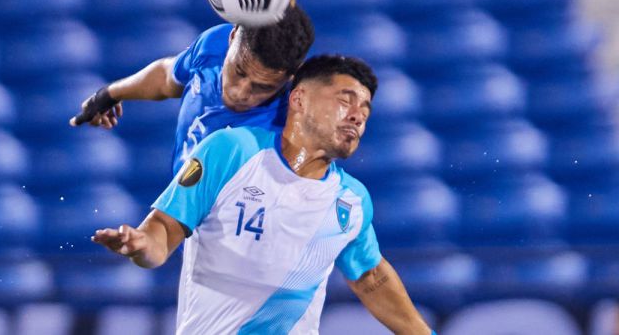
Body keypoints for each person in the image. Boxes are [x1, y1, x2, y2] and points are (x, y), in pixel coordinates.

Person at [92, 55, 435, 335]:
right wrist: (139, 244)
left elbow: (370, 277)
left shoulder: (351, 200)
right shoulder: (231, 150)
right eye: (345, 100)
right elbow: (163, 232)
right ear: (299, 98)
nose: (358, 115)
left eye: (365, 108)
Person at [70, 5, 315, 173]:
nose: (241, 92)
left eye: (263, 87)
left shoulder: (293, 127)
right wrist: (109, 95)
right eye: (239, 71)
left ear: (289, 78)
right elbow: (167, 77)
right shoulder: (213, 45)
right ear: (233, 36)